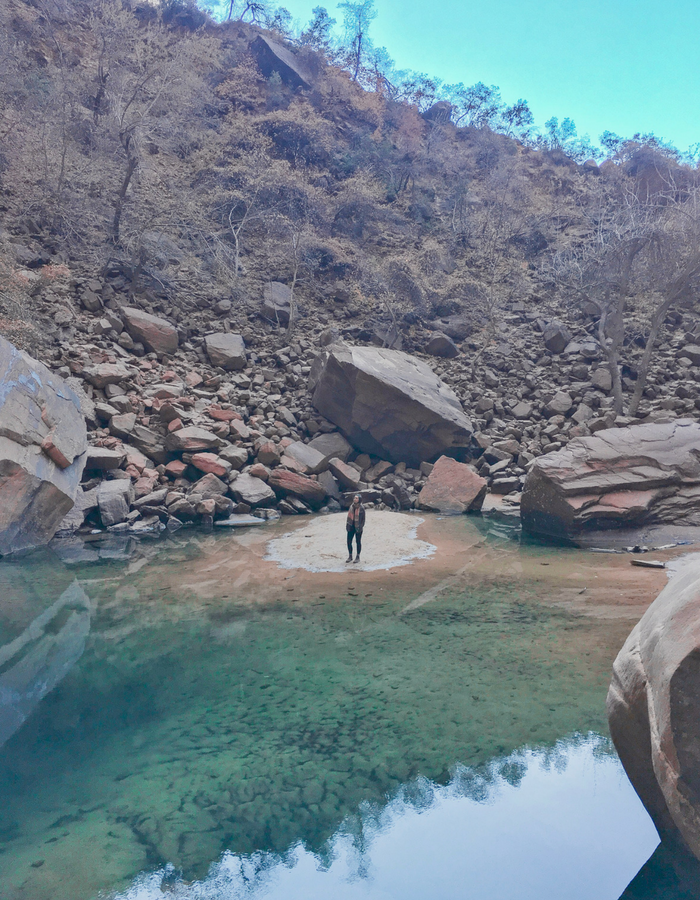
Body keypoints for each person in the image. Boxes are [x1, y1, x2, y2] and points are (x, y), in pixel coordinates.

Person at [346, 494, 365, 563]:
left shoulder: (361, 508)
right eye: (354, 498)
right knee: (349, 542)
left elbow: (363, 519)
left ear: (359, 499)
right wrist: (347, 526)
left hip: (358, 527)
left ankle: (358, 556)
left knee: (358, 542)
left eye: (356, 498)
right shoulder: (351, 506)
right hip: (351, 526)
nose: (355, 499)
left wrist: (360, 527)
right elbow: (348, 518)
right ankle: (350, 556)